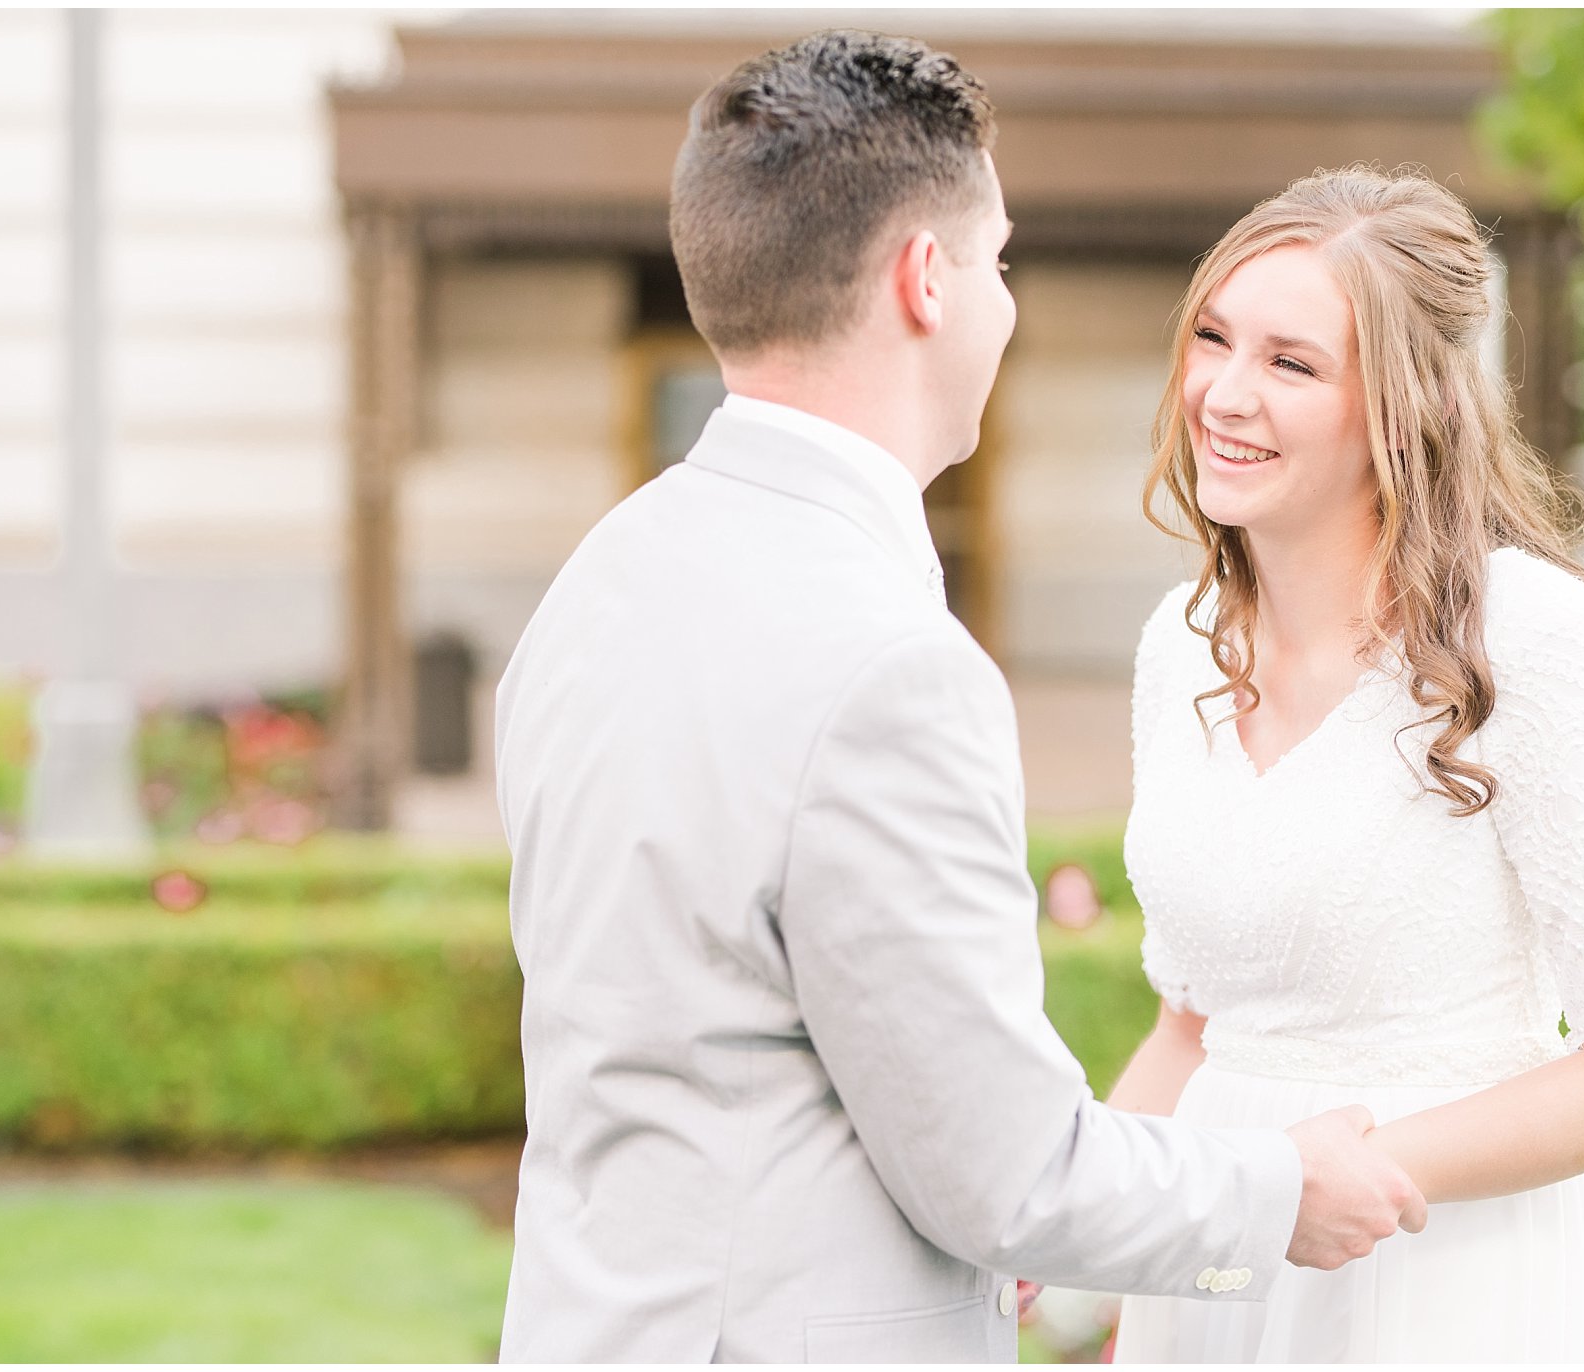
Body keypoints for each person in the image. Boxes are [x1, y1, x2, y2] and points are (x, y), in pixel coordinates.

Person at [492, 32, 1421, 1364]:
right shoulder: (891, 668)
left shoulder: (599, 582)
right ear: (926, 280)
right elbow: (1007, 1175)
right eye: (996, 262)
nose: (1003, 301)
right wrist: (1286, 1188)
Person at [1108, 165, 1584, 1362]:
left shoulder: (1522, 635)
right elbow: (1191, 1028)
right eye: (1212, 339)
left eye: (1290, 363)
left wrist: (1355, 1173)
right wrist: (1065, 1215)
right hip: (1221, 1263)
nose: (1223, 393)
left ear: (1401, 405)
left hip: (1439, 1273)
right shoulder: (1173, 648)